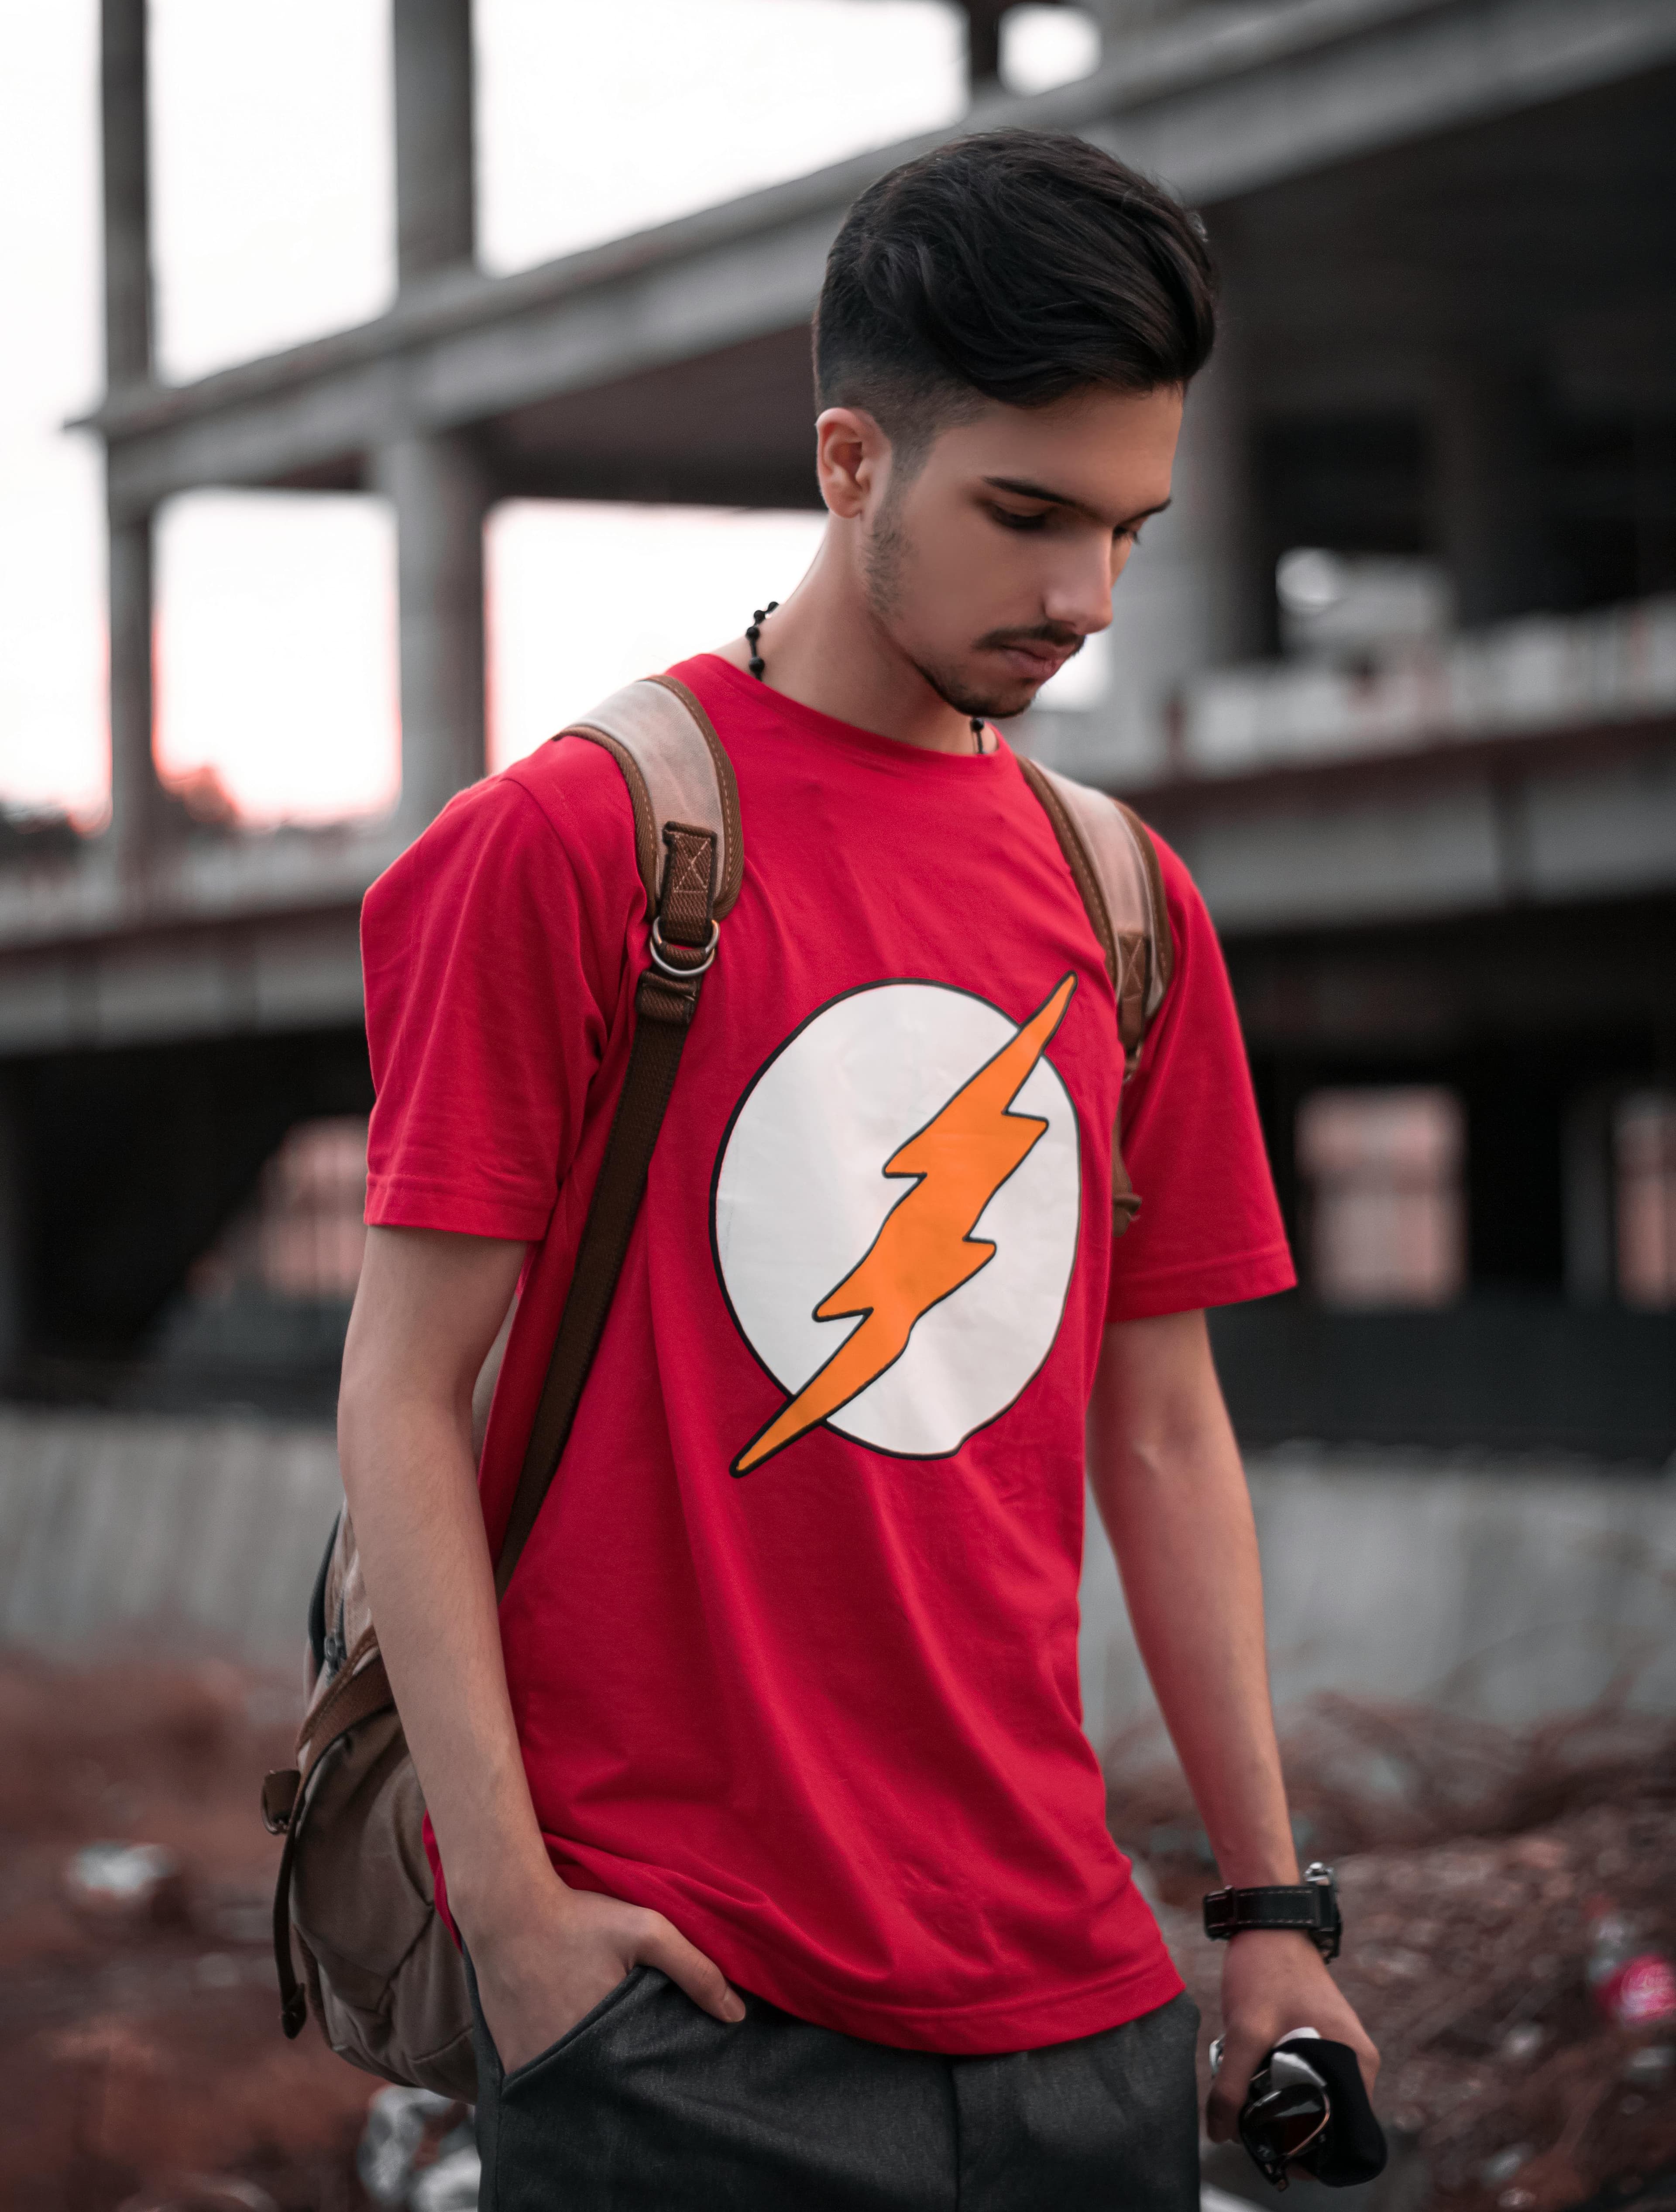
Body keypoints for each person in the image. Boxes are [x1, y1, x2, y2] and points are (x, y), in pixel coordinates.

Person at [338, 128, 1379, 2210]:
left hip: (1080, 2019)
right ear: (847, 464)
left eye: (1127, 530)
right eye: (1026, 516)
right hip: (689, 2027)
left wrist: (1275, 1913)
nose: (1082, 598)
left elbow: (1160, 1433)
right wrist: (522, 1931)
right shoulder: (581, 842)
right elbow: (398, 1393)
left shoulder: (1125, 901)